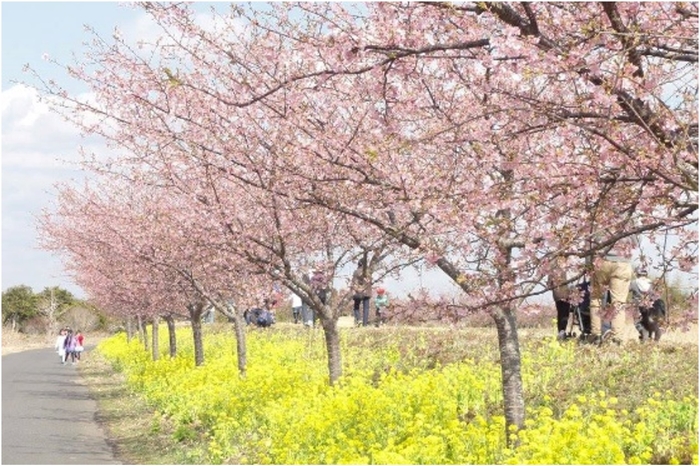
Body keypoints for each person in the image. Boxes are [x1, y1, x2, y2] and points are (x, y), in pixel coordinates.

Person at [588, 237, 635, 345]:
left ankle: (596, 335)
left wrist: (590, 263)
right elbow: (636, 241)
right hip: (622, 262)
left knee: (596, 298)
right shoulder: (630, 220)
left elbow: (590, 240)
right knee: (618, 301)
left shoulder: (595, 220)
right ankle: (617, 337)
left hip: (599, 261)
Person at [630, 266, 665, 341]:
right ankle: (655, 331)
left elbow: (625, 290)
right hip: (649, 305)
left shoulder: (633, 283)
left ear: (637, 273)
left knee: (637, 321)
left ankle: (642, 331)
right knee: (649, 321)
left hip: (637, 305)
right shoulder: (651, 283)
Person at [548, 260, 571, 341]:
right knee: (565, 313)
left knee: (560, 313)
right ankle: (562, 331)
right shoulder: (568, 263)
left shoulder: (553, 265)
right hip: (567, 293)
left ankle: (560, 331)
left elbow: (549, 283)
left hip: (557, 293)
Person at [351, 259, 372, 326]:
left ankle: (359, 319)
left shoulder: (356, 272)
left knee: (356, 307)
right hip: (367, 292)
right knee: (366, 309)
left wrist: (356, 289)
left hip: (358, 292)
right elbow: (370, 281)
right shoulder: (368, 272)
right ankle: (365, 324)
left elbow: (354, 282)